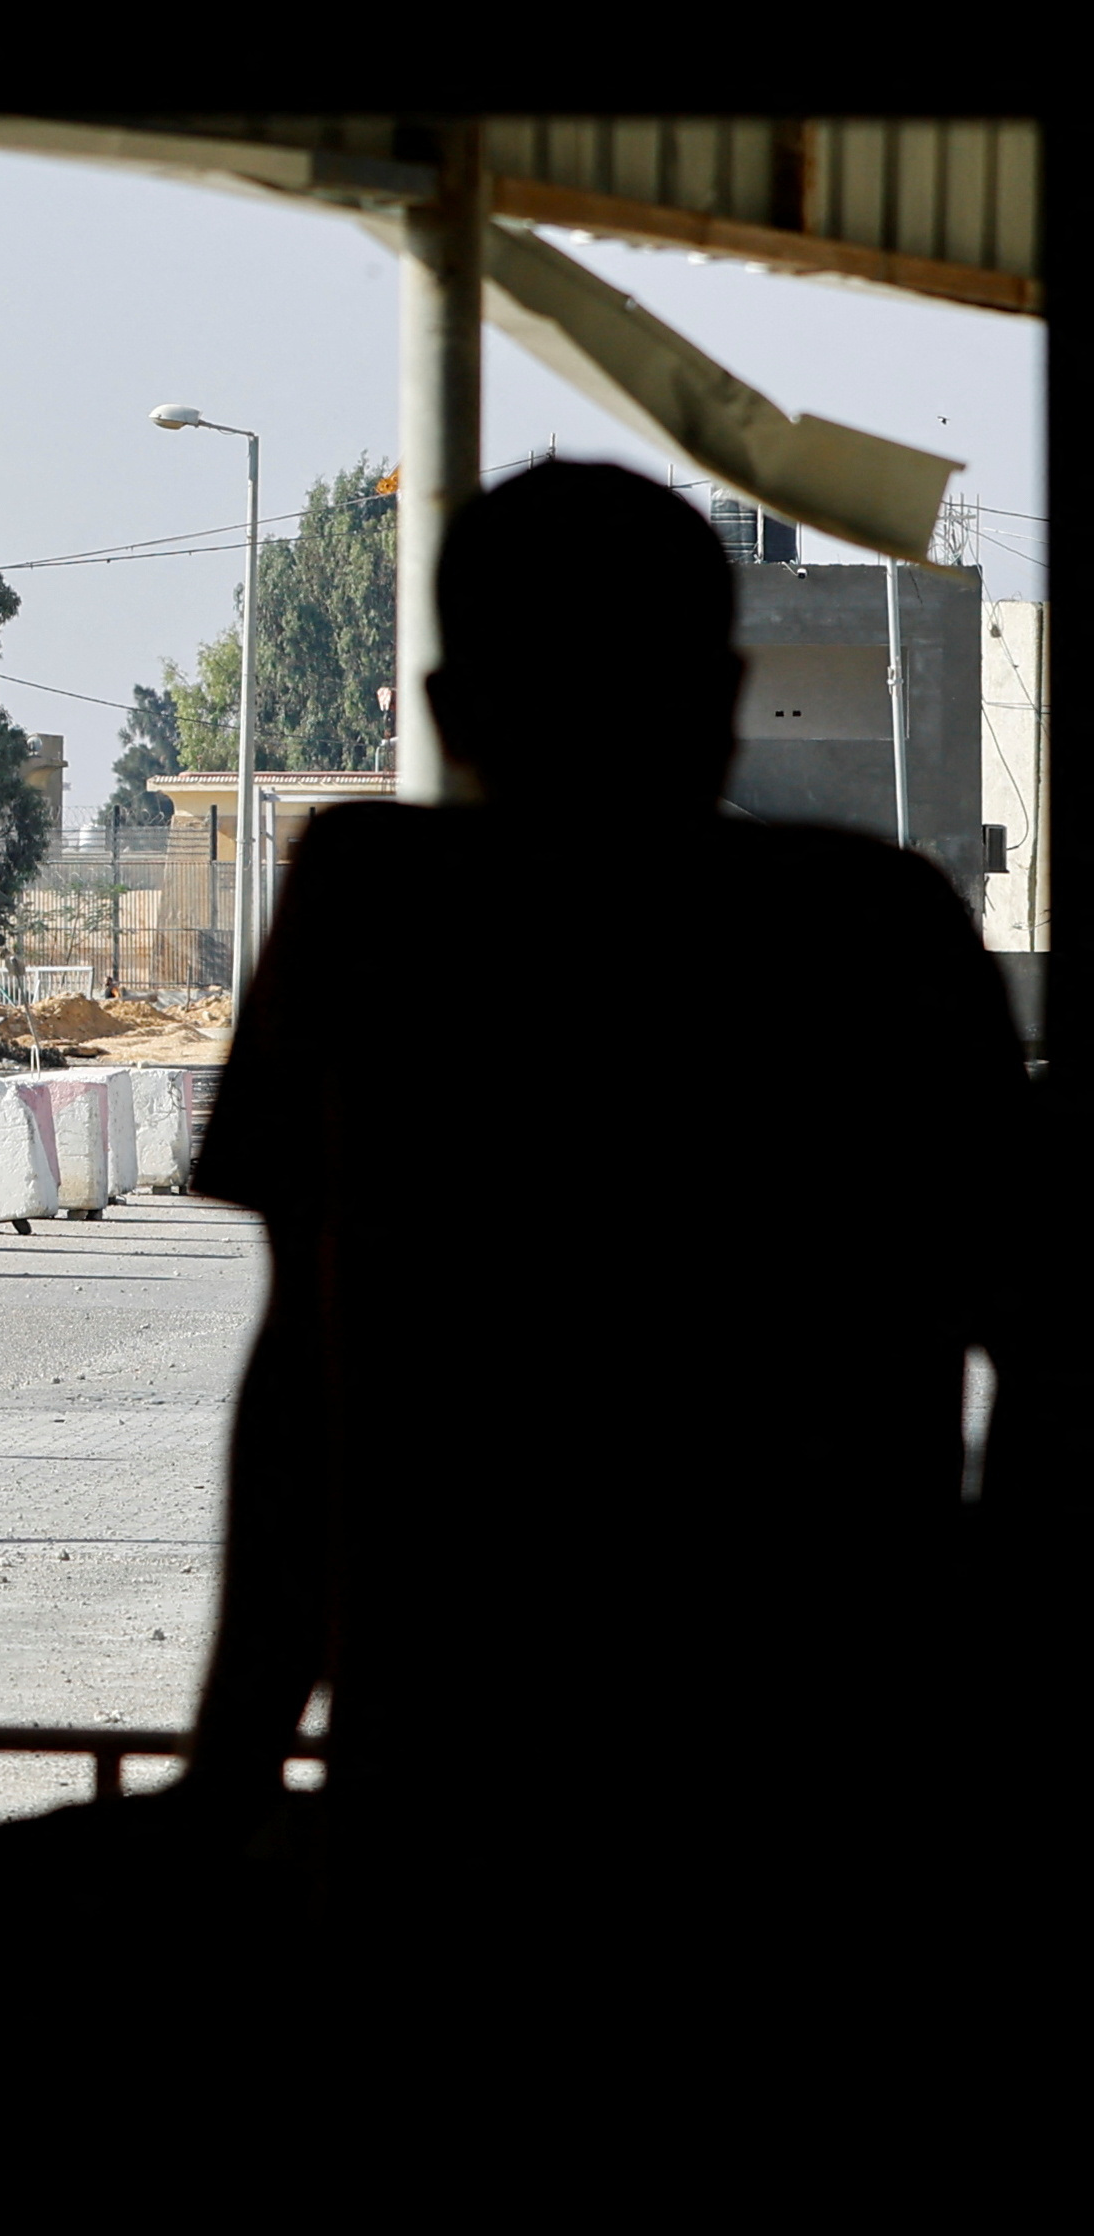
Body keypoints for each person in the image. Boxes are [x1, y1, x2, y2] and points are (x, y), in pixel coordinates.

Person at [161, 460, 1033, 1929]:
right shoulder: (877, 929)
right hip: (822, 1769)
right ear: (724, 697)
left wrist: (228, 1772)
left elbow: (300, 1373)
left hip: (452, 1762)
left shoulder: (378, 904)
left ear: (446, 714)